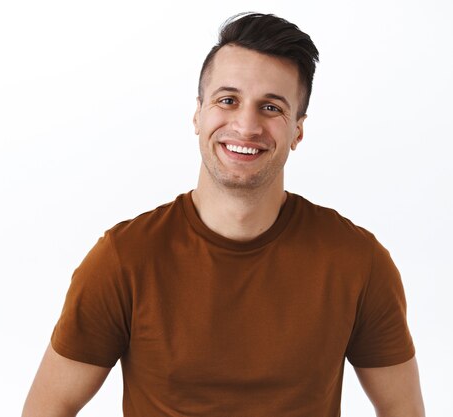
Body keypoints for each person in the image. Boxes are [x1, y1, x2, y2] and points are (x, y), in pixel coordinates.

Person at [22, 12, 425, 417]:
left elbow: (403, 410)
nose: (246, 125)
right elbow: (48, 407)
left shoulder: (358, 262)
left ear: (298, 131)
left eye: (271, 107)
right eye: (227, 100)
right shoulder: (124, 259)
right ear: (198, 114)